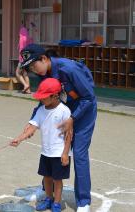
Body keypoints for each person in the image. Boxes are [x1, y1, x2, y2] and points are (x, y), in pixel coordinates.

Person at [20, 44, 97, 212]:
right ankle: (47, 192)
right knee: (51, 148)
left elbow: (89, 97)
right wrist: (32, 120)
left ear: (44, 58)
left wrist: (73, 118)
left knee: (79, 153)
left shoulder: (68, 69)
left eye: (34, 65)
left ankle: (83, 201)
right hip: (62, 111)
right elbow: (43, 99)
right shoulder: (44, 74)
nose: (34, 70)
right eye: (30, 68)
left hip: (83, 111)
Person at [10, 78, 72, 212]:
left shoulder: (64, 111)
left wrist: (66, 153)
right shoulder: (41, 110)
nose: (41, 100)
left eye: (44, 97)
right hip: (46, 152)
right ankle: (48, 198)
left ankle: (56, 202)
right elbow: (32, 127)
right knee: (47, 178)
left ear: (55, 96)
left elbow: (69, 135)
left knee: (57, 179)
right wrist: (19, 139)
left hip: (59, 152)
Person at [16, 26, 33, 94]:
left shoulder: (21, 39)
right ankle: (28, 90)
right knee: (25, 74)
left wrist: (21, 60)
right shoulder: (29, 39)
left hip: (22, 59)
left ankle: (26, 85)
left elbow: (21, 51)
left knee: (17, 73)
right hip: (28, 58)